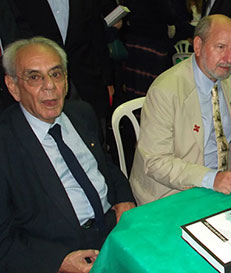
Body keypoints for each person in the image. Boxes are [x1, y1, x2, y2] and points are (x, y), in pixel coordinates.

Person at [0, 37, 135, 273]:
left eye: (56, 74)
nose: (49, 86)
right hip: (61, 252)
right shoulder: (6, 142)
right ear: (13, 87)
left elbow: (105, 165)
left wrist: (124, 198)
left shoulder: (81, 113)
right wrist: (57, 262)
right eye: (34, 77)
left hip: (114, 232)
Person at [129, 15, 231, 205]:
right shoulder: (166, 90)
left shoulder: (230, 84)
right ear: (198, 46)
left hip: (222, 188)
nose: (229, 58)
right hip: (173, 192)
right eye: (221, 47)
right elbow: (156, 162)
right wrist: (211, 178)